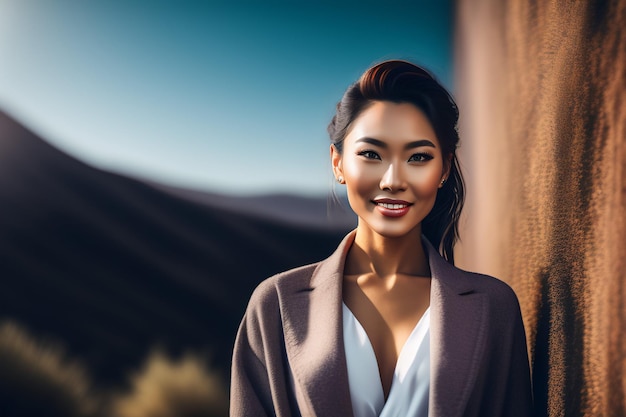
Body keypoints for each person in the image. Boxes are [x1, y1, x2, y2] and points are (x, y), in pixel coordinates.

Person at [230, 60, 532, 417]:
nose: (393, 180)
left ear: (444, 169)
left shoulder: (493, 305)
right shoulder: (276, 304)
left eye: (418, 157)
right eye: (371, 154)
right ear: (338, 163)